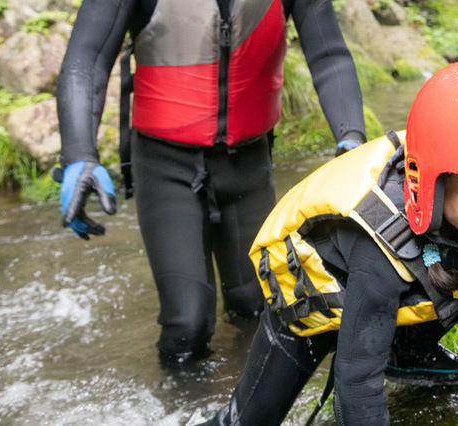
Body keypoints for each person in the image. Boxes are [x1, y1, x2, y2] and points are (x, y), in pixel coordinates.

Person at [197, 59, 458, 425]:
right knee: (249, 420)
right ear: (435, 182)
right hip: (316, 306)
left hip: (395, 292)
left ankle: (409, 353)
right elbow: (356, 380)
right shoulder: (382, 245)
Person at [54, 0, 368, 366]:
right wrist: (79, 154)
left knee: (261, 308)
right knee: (187, 323)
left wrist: (352, 139)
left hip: (248, 163)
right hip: (165, 165)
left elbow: (329, 54)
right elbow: (86, 59)